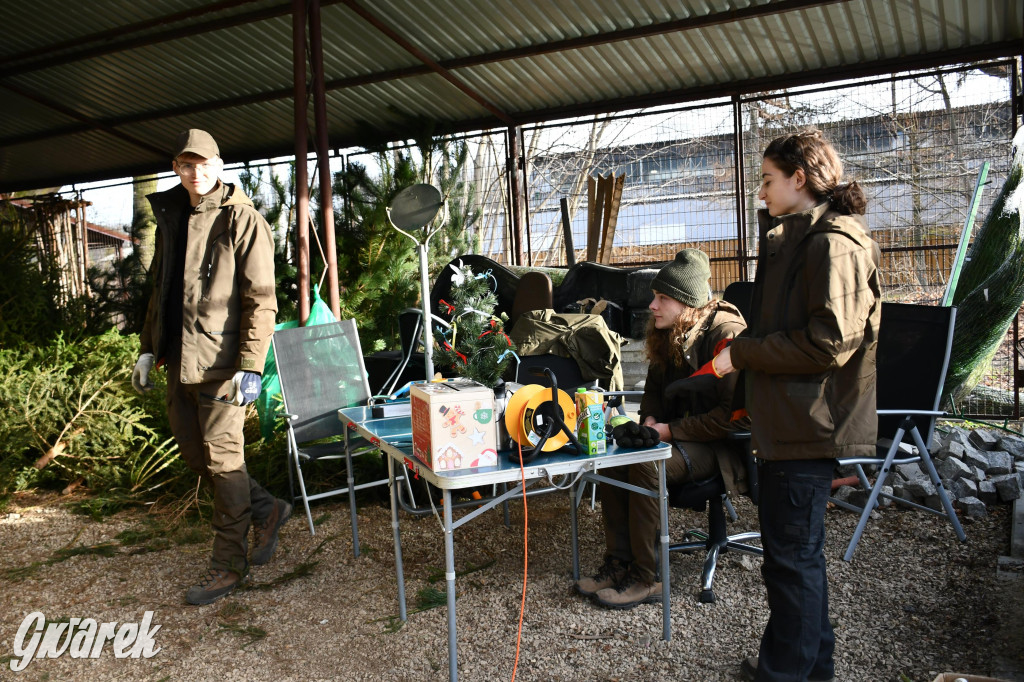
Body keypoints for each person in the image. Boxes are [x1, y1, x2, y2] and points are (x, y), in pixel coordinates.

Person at [709, 129, 881, 681]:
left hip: (810, 427)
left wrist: (743, 352)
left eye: (766, 179)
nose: (760, 192)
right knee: (794, 562)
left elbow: (828, 342)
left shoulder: (833, 244)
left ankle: (785, 674)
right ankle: (809, 670)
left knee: (790, 563)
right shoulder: (800, 239)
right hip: (789, 423)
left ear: (798, 178)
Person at [131, 129, 291, 606]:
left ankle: (228, 566)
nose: (194, 173)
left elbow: (261, 300)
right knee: (197, 459)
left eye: (203, 164)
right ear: (176, 168)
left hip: (223, 367)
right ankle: (269, 508)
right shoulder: (172, 216)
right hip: (179, 361)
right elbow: (159, 292)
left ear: (220, 166)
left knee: (224, 464)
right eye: (185, 164)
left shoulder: (242, 220)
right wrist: (146, 348)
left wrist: (251, 364)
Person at [575, 248, 750, 609]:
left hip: (724, 446)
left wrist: (669, 431)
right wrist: (650, 422)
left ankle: (646, 577)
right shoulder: (669, 330)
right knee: (613, 459)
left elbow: (735, 417)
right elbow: (654, 390)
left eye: (662, 298)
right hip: (677, 434)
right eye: (654, 296)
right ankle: (619, 564)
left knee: (644, 465)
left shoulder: (726, 334)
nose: (651, 305)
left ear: (688, 303)